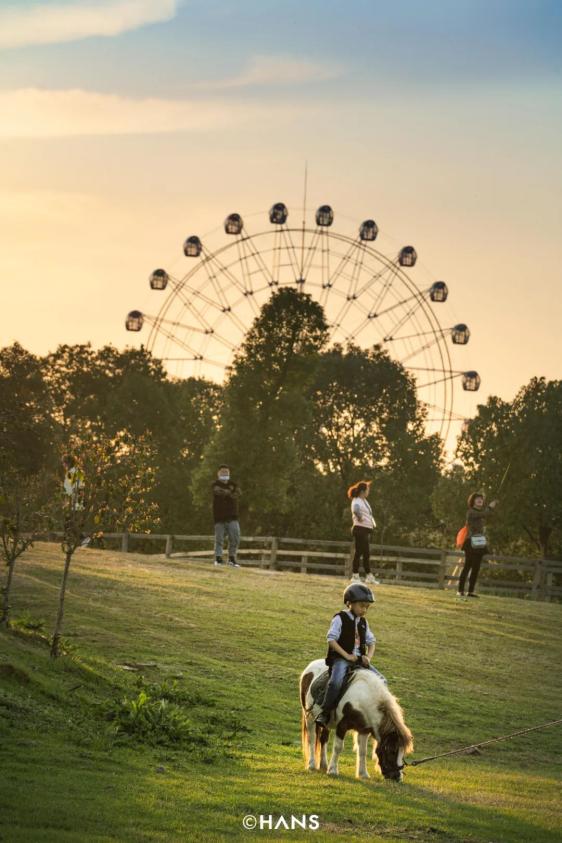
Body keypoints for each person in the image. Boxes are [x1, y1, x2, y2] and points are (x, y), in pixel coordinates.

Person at [315, 583, 386, 725]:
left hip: (359, 660)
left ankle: (377, 712)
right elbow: (331, 640)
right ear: (349, 603)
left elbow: (372, 642)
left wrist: (368, 657)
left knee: (382, 681)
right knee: (335, 683)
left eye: (367, 607)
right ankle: (325, 712)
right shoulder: (339, 618)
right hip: (341, 659)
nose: (364, 610)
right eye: (361, 606)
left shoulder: (363, 622)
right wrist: (346, 656)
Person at [457, 491, 498, 598]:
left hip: (479, 542)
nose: (480, 500)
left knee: (476, 568)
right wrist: (490, 507)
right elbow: (484, 514)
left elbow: (484, 514)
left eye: (481, 498)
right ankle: (460, 590)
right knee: (467, 566)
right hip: (470, 542)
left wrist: (489, 509)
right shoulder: (471, 512)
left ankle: (470, 592)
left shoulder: (481, 513)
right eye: (477, 498)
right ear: (473, 501)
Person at [348, 480, 379, 585]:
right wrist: (360, 518)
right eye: (367, 490)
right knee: (359, 552)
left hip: (365, 529)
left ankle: (368, 575)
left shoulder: (364, 501)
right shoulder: (357, 501)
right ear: (362, 491)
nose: (368, 492)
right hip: (360, 529)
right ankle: (355, 575)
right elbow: (356, 510)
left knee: (366, 553)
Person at [212, 465, 241, 568]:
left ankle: (232, 559)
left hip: (232, 516)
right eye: (223, 472)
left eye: (226, 472)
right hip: (219, 516)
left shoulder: (234, 484)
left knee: (235, 538)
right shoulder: (215, 485)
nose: (225, 474)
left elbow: (237, 494)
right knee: (219, 539)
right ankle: (218, 558)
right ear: (218, 473)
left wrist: (228, 493)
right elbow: (218, 492)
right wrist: (229, 492)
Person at [61, 454, 90, 548]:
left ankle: (81, 539)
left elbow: (70, 489)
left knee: (69, 522)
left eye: (64, 463)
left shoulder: (71, 473)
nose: (63, 465)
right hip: (78, 500)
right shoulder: (78, 471)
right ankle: (74, 541)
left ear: (68, 463)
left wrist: (68, 501)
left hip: (75, 500)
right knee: (70, 522)